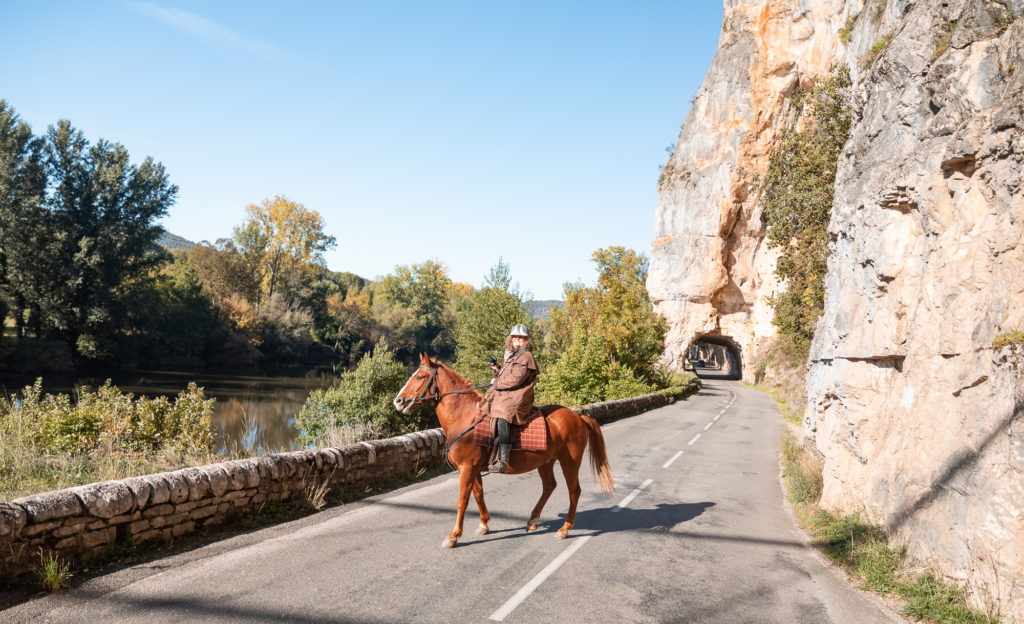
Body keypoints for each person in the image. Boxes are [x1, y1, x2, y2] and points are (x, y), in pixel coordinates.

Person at [482, 323, 539, 473]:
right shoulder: (515, 354)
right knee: (485, 403)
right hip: (509, 393)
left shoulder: (526, 356)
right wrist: (497, 370)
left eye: (521, 338)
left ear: (526, 340)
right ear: (511, 339)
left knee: (503, 416)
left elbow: (516, 379)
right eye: (515, 337)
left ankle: (503, 461)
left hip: (519, 396)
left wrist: (497, 383)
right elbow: (507, 375)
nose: (517, 340)